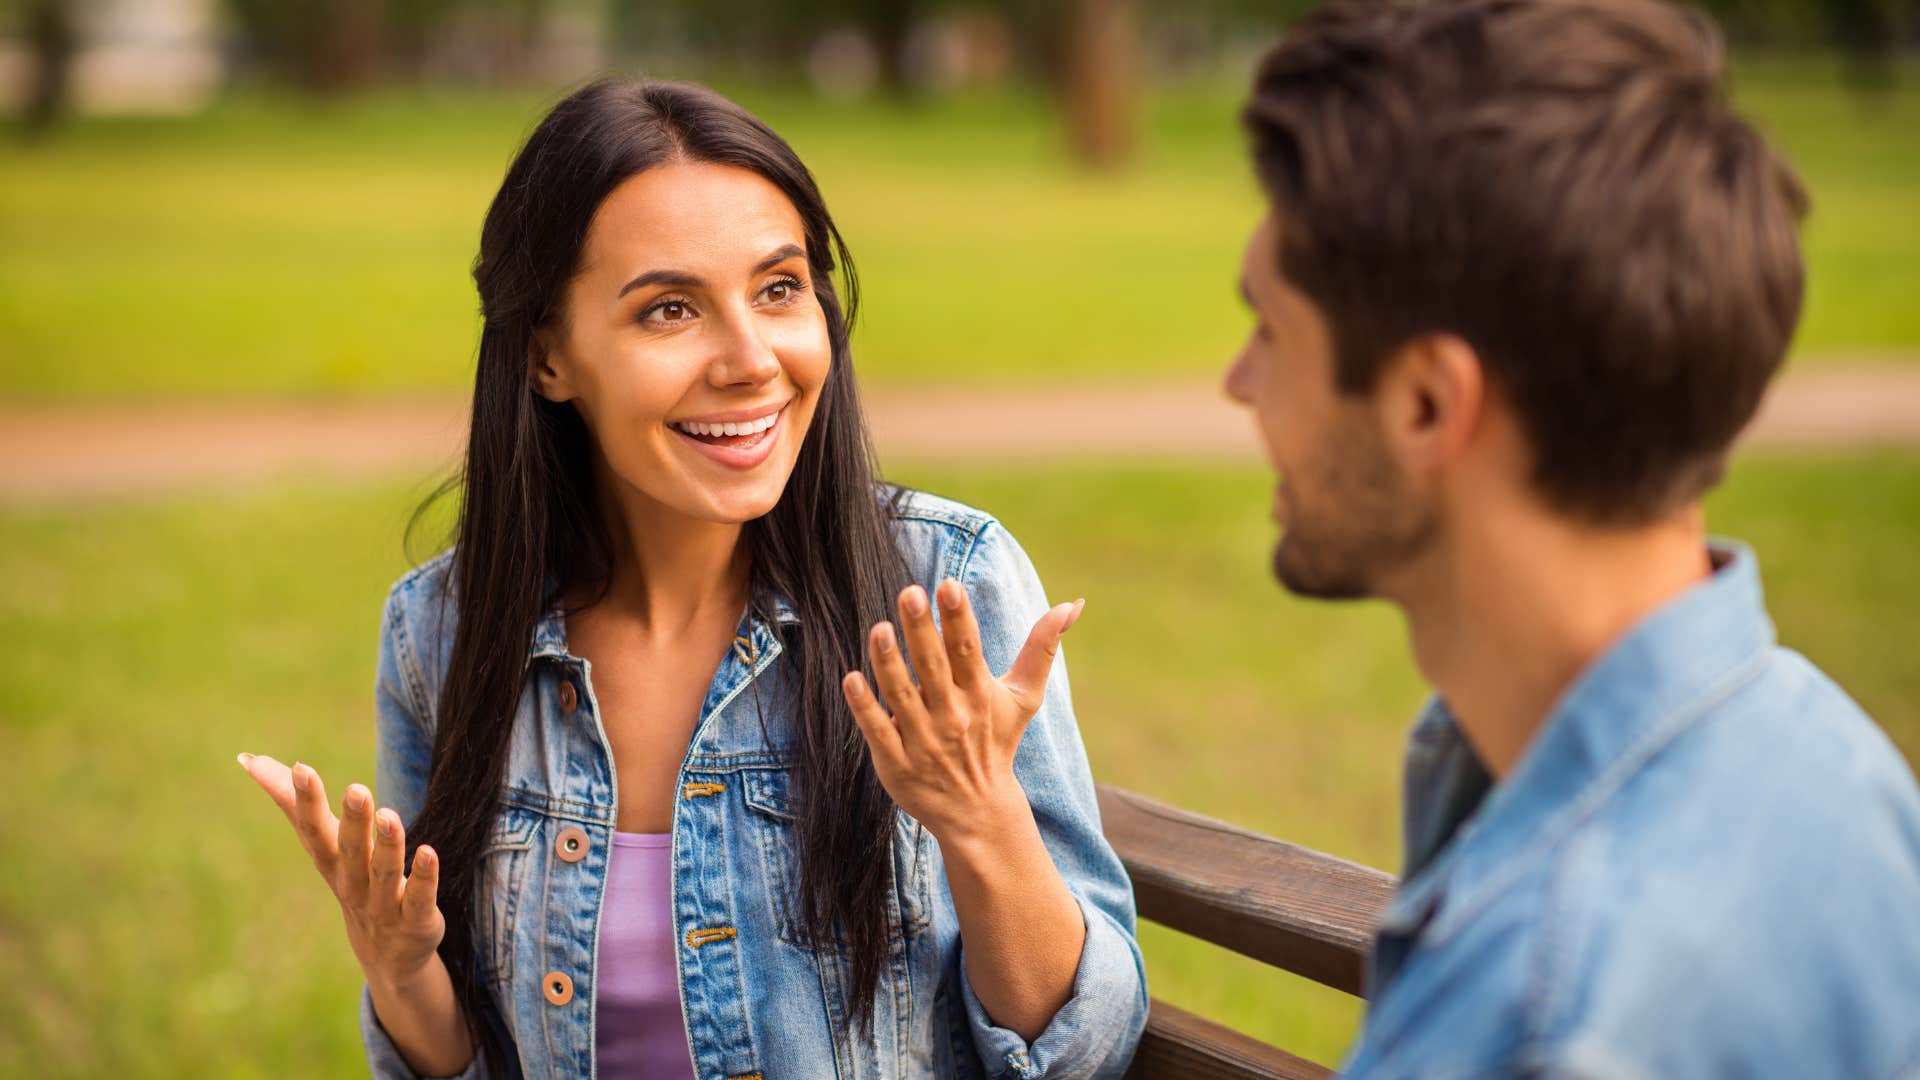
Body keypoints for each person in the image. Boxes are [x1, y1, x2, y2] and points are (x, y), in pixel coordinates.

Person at [239, 79, 1147, 1079]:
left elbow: (1086, 1050)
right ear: (548, 355)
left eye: (779, 289)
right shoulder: (445, 631)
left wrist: (983, 821)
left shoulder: (942, 590)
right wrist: (402, 971)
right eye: (670, 309)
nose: (752, 359)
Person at [1226, 1, 1920, 1075]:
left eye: (1269, 329)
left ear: (1424, 403)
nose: (1238, 383)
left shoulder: (1543, 1021)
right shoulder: (1841, 769)